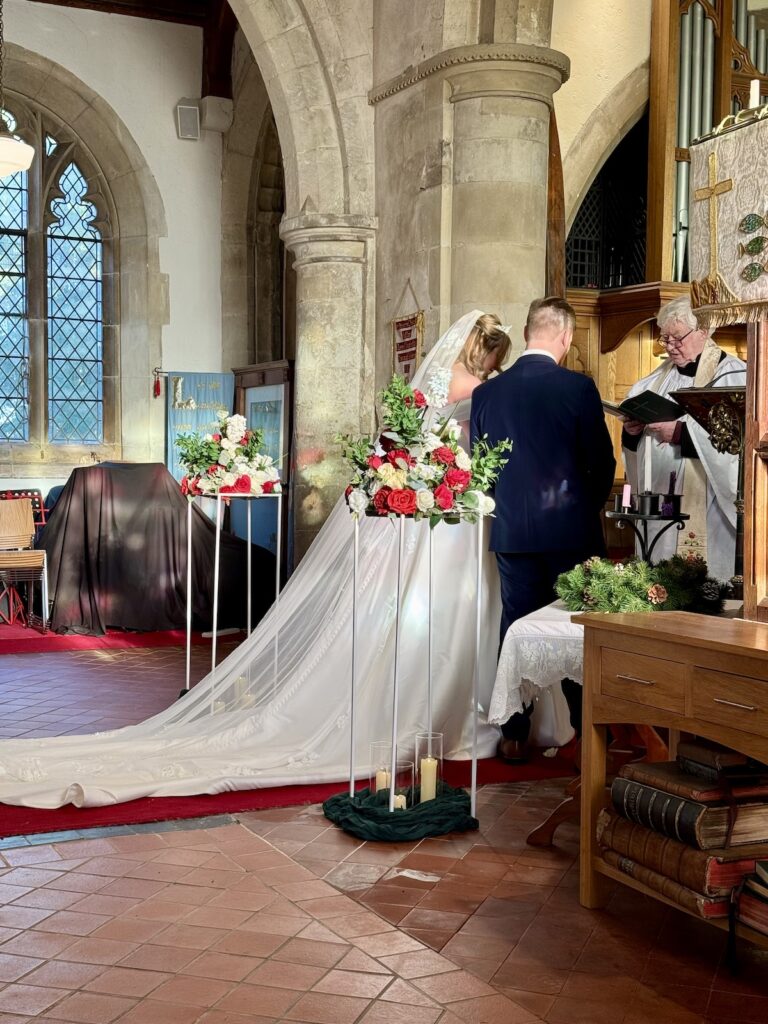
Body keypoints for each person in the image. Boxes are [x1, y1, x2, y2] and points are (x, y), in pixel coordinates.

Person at [0, 310, 576, 810]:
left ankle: (443, 712)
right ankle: (449, 718)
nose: (497, 366)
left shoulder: (443, 388)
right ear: (486, 352)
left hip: (435, 526)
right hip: (448, 529)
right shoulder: (479, 392)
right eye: (494, 357)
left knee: (422, 622)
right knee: (445, 622)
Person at [471, 296, 616, 763]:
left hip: (513, 533)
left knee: (516, 628)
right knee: (578, 632)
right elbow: (601, 462)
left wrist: (510, 509)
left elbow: (480, 470)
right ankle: (587, 732)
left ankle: (514, 735)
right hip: (572, 533)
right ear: (566, 337)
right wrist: (584, 512)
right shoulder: (578, 388)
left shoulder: (487, 394)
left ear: (531, 331)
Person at [621, 296, 745, 582]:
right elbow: (637, 451)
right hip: (660, 505)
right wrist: (632, 433)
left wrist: (680, 433)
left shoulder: (734, 377)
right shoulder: (654, 382)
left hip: (708, 508)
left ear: (704, 330)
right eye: (664, 338)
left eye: (677, 338)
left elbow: (741, 447)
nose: (670, 347)